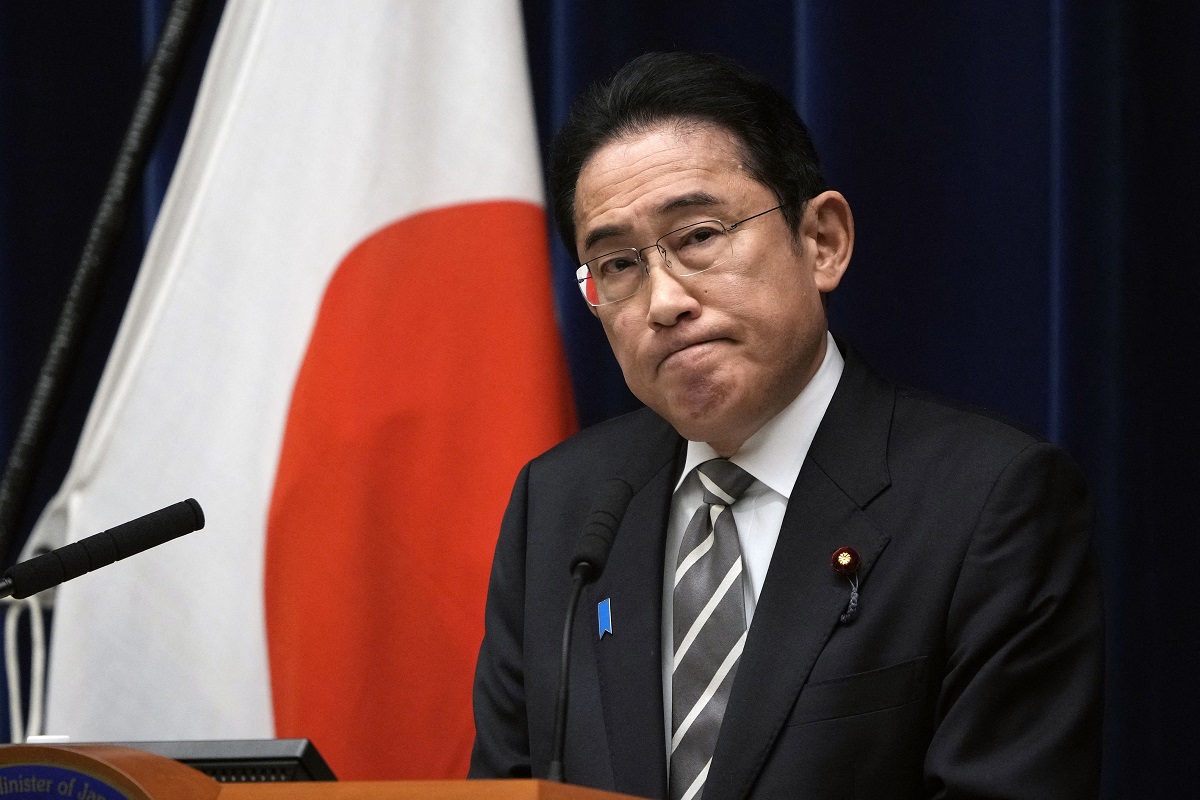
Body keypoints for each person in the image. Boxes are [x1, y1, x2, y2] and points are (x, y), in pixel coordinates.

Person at [469, 51, 1103, 800]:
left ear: (822, 240)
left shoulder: (988, 503)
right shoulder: (562, 509)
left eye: (699, 235)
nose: (663, 300)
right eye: (617, 265)